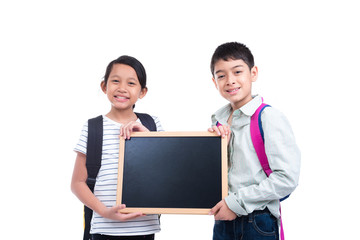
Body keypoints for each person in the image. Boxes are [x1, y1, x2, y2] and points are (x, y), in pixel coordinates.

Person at [208, 42, 301, 240]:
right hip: (223, 221)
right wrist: (214, 148)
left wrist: (236, 204)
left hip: (256, 222)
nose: (230, 80)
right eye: (221, 75)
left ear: (253, 73)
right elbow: (216, 174)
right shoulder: (218, 121)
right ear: (215, 82)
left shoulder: (268, 117)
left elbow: (286, 178)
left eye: (237, 71)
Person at [71, 55, 162, 240]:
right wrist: (104, 212)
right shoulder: (93, 127)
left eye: (131, 83)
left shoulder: (152, 124)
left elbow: (166, 172)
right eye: (115, 81)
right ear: (104, 86)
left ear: (142, 92)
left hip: (144, 229)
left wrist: (148, 138)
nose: (122, 88)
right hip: (104, 229)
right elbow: (77, 183)